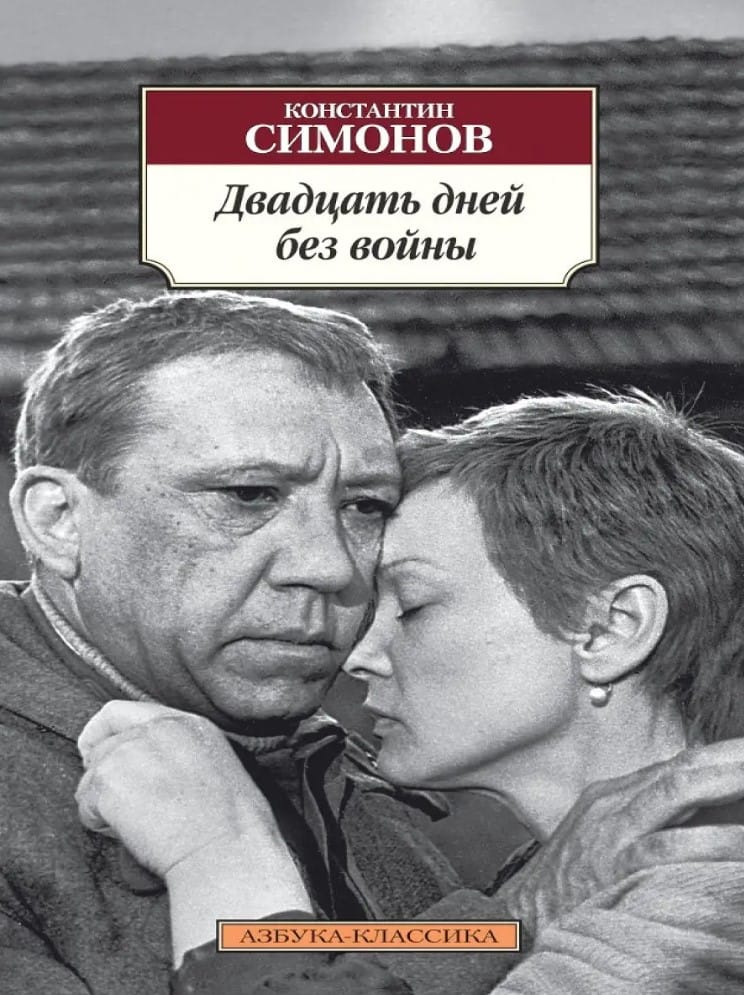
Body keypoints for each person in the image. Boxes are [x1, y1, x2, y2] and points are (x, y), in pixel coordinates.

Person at [76, 391, 744, 994]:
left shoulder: (704, 899)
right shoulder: (591, 874)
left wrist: (219, 849)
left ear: (610, 628)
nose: (357, 657)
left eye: (415, 606)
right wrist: (514, 912)